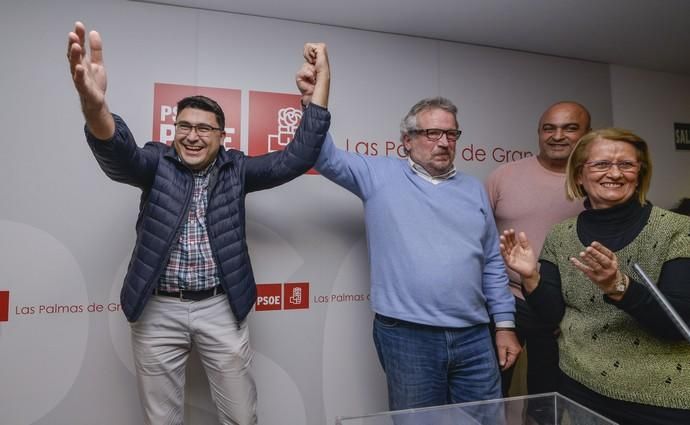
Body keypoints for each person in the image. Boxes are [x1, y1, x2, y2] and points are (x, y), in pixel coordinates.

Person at [67, 21, 331, 425]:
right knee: (162, 420)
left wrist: (318, 94)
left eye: (204, 128)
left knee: (241, 418)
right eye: (184, 126)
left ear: (222, 136)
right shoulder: (156, 163)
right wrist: (95, 106)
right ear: (174, 131)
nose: (192, 136)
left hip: (220, 307)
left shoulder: (236, 169)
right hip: (157, 309)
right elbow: (119, 155)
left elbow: (295, 159)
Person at [297, 79, 521, 409]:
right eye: (433, 133)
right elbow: (320, 155)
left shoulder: (474, 190)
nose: (443, 142)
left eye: (451, 134)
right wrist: (311, 103)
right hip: (408, 336)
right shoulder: (378, 174)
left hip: (474, 335)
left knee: (484, 420)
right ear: (407, 140)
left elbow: (490, 263)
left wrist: (504, 325)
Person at [499, 128, 690, 425]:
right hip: (580, 391)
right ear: (578, 175)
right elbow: (553, 315)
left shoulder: (677, 230)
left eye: (626, 164)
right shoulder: (561, 234)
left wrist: (620, 287)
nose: (614, 173)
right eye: (601, 164)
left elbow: (680, 325)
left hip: (659, 400)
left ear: (639, 174)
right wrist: (530, 276)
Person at [485, 101, 590, 396]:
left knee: (549, 396)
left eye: (570, 128)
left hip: (562, 307)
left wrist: (574, 311)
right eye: (549, 128)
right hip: (506, 302)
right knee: (493, 390)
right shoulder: (502, 177)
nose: (558, 136)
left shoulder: (594, 183)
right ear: (539, 133)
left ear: (587, 134)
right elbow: (476, 240)